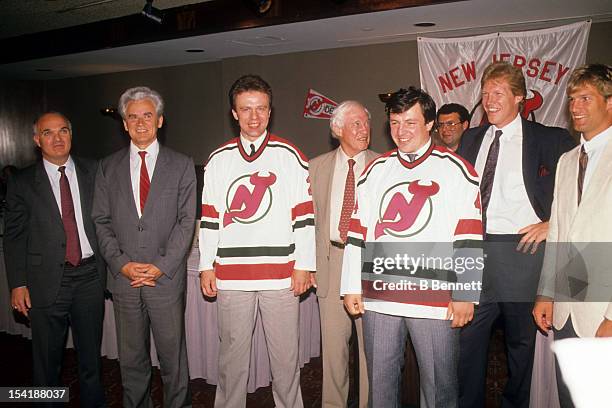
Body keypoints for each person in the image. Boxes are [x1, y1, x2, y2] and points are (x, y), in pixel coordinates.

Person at [341, 87, 483, 408]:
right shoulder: (375, 170)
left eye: (410, 123)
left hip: (433, 298)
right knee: (380, 385)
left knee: (440, 388)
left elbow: (470, 234)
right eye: (394, 123)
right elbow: (357, 231)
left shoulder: (457, 170)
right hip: (380, 296)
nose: (400, 132)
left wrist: (466, 293)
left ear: (430, 123)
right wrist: (351, 286)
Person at [457, 61, 575, 408]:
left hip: (522, 252)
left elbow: (578, 189)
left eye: (498, 93)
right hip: (475, 251)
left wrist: (553, 221)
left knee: (521, 348)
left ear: (519, 97)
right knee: (467, 343)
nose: (489, 100)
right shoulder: (470, 138)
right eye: (485, 93)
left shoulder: (550, 139)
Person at [199, 74, 315, 408]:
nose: (254, 117)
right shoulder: (219, 159)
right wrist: (207, 265)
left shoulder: (289, 155)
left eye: (261, 108)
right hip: (232, 276)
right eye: (246, 109)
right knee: (231, 362)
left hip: (281, 275)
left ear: (270, 110)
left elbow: (304, 216)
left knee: (286, 361)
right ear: (234, 113)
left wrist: (304, 264)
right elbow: (210, 218)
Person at [92, 87, 196, 408]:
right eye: (132, 116)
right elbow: (101, 221)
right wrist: (121, 264)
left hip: (164, 280)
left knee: (173, 363)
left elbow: (186, 222)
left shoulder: (181, 165)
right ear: (124, 124)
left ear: (160, 120)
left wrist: (160, 266)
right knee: (131, 363)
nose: (140, 123)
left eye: (147, 115)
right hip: (124, 282)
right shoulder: (107, 167)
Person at [4, 112, 106, 407]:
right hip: (44, 282)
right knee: (47, 366)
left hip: (89, 278)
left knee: (91, 362)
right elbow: (14, 236)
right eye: (48, 133)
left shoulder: (94, 170)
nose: (57, 138)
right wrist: (18, 283)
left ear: (71, 135)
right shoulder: (22, 181)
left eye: (63, 131)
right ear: (37, 140)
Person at [533, 63, 612, 408]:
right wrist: (546, 294)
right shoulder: (566, 161)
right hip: (566, 309)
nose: (575, 107)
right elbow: (559, 234)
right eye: (571, 99)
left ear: (609, 102)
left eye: (585, 98)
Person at [309, 100, 377, 408]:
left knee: (372, 350)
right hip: (331, 262)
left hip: (370, 264)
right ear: (338, 130)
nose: (365, 130)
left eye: (365, 123)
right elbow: (308, 222)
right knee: (333, 350)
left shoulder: (383, 165)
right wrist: (309, 265)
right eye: (356, 124)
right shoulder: (315, 167)